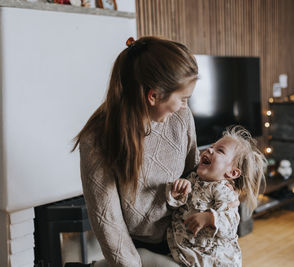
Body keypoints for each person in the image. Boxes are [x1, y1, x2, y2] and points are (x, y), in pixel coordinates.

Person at [71, 36, 202, 267]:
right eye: (182, 99)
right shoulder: (98, 139)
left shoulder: (181, 117)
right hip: (137, 247)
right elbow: (108, 222)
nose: (185, 105)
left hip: (184, 238)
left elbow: (196, 174)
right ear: (153, 96)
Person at [165, 126, 265, 267]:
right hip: (186, 253)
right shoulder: (193, 179)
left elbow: (231, 223)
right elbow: (176, 206)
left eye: (220, 151)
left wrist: (210, 218)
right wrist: (177, 193)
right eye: (212, 147)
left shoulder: (223, 191)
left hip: (213, 261)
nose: (210, 150)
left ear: (232, 173)